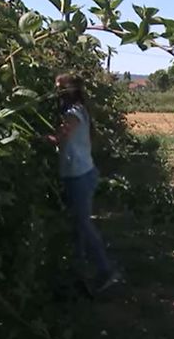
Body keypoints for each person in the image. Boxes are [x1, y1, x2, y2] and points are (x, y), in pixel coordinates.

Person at [46, 73, 121, 293]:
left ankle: (106, 271)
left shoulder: (73, 113)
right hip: (81, 173)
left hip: (79, 175)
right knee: (78, 226)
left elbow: (59, 137)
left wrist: (33, 138)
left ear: (69, 90)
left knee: (84, 225)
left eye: (59, 88)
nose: (55, 92)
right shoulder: (79, 110)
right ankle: (78, 272)